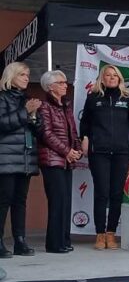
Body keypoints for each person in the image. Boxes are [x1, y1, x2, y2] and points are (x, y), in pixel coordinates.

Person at [80, 65, 129, 250]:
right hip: (99, 152)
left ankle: (111, 233)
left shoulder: (125, 99)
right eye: (108, 75)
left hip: (122, 152)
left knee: (116, 193)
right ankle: (100, 234)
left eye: (115, 75)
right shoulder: (93, 98)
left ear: (119, 79)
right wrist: (85, 139)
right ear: (102, 78)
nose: (112, 78)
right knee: (102, 192)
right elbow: (85, 122)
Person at [38, 70, 82, 253]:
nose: (65, 85)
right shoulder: (44, 106)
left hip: (66, 160)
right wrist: (66, 151)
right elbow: (46, 134)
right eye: (61, 82)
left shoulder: (66, 106)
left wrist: (77, 150)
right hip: (52, 159)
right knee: (57, 201)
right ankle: (54, 243)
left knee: (65, 201)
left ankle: (64, 240)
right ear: (50, 87)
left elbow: (73, 132)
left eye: (65, 82)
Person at [0, 61, 41, 257]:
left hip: (25, 157)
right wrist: (26, 112)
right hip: (6, 158)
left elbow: (38, 130)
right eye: (22, 74)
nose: (26, 78)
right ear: (11, 76)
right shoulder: (2, 98)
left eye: (28, 74)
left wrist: (34, 117)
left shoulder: (26, 99)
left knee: (20, 201)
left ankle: (20, 241)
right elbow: (2, 124)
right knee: (3, 201)